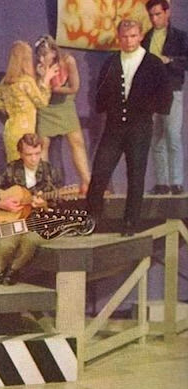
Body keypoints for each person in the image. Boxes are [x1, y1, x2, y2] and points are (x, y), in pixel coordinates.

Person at [86, 19, 172, 236]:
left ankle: (130, 223)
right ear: (119, 38)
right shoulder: (111, 62)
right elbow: (101, 92)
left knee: (135, 175)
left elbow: (165, 95)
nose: (129, 41)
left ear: (141, 36)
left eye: (133, 36)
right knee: (100, 172)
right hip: (114, 127)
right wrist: (109, 108)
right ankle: (90, 220)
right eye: (124, 37)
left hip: (139, 127)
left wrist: (146, 109)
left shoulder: (153, 63)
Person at [0, 133, 61, 285]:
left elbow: (58, 205)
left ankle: (14, 270)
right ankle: (2, 268)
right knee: (5, 245)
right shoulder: (11, 169)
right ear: (21, 153)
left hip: (38, 222)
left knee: (29, 242)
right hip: (15, 220)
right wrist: (1, 203)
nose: (34, 159)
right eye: (29, 154)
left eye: (37, 153)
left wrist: (44, 205)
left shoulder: (50, 172)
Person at [34, 35, 91, 195]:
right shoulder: (37, 66)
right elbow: (38, 92)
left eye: (45, 54)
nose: (42, 58)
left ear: (54, 51)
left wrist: (55, 88)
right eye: (39, 55)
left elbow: (74, 87)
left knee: (77, 141)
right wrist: (44, 78)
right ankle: (44, 185)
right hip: (46, 105)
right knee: (43, 145)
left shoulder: (68, 61)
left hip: (65, 104)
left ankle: (86, 181)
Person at [0, 40, 57, 161]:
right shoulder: (26, 81)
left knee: (13, 165)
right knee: (24, 167)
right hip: (25, 130)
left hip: (10, 129)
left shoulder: (6, 81)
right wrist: (46, 80)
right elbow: (42, 102)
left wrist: (8, 107)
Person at [142, 0, 188, 196]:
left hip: (171, 90)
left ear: (167, 12)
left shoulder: (179, 36)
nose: (154, 19)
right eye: (151, 15)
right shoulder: (147, 37)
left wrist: (169, 60)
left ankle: (176, 182)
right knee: (156, 138)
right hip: (152, 92)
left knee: (172, 136)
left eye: (158, 14)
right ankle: (162, 183)